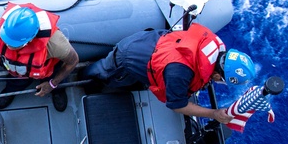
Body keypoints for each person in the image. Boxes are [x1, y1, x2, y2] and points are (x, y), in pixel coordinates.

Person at [84, 23, 255, 123]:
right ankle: (83, 78)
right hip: (129, 56)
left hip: (154, 47)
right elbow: (177, 105)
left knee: (132, 80)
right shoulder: (180, 73)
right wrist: (213, 113)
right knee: (104, 73)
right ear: (218, 75)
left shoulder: (215, 47)